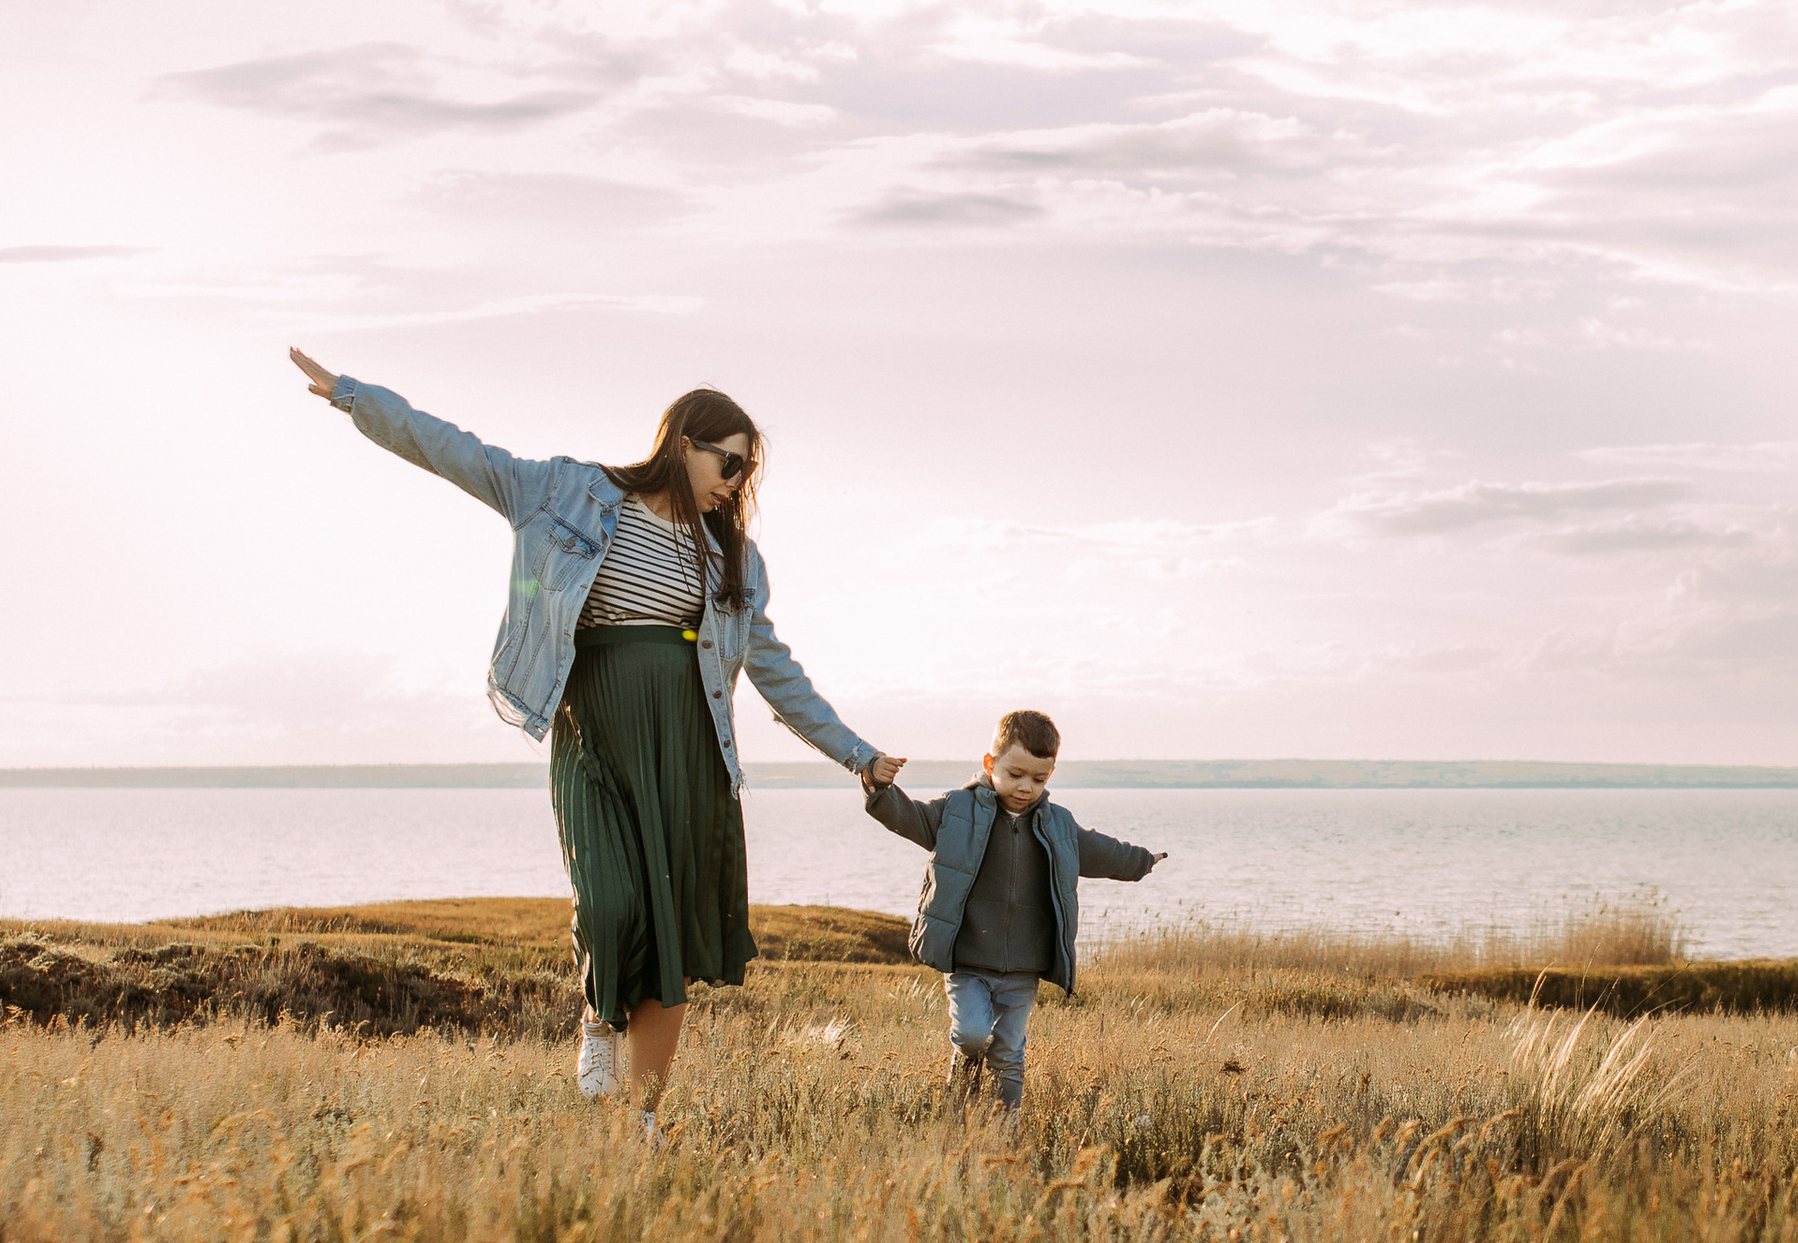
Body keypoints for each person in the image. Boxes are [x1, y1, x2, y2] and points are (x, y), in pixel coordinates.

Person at [290, 346, 902, 1138]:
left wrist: (856, 752)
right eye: (727, 462)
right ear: (683, 440)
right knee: (609, 902)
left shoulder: (734, 559)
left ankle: (641, 1120)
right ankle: (595, 1019)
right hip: (594, 730)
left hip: (685, 750)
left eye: (745, 473)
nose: (733, 482)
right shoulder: (571, 493)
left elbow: (776, 671)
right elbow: (457, 452)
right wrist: (353, 396)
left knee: (671, 941)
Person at [861, 709, 1164, 1113]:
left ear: (1050, 774)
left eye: (1038, 779)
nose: (1026, 786)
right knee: (971, 1037)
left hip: (1024, 966)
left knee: (1008, 1054)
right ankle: (959, 1106)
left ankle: (1006, 1137)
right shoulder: (956, 811)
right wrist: (876, 785)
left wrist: (1141, 860)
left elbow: (1101, 851)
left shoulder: (1058, 825)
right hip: (967, 960)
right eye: (1016, 774)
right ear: (990, 764)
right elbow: (907, 816)